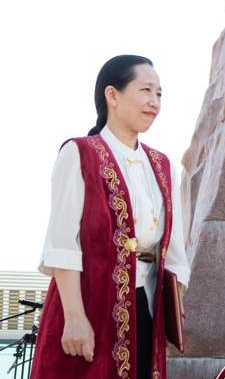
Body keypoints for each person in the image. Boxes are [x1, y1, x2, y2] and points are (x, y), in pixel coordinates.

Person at [31, 55, 191, 379]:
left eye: (159, 93)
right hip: (89, 303)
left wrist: (174, 306)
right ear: (112, 95)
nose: (154, 101)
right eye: (145, 90)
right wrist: (75, 317)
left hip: (146, 304)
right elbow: (62, 243)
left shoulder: (162, 165)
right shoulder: (80, 153)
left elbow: (174, 249)